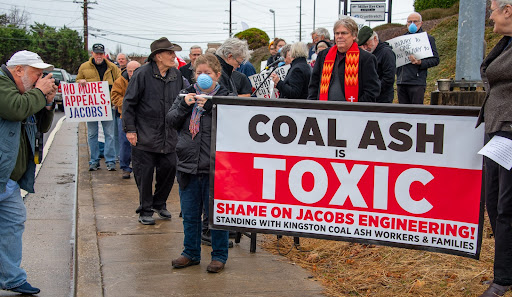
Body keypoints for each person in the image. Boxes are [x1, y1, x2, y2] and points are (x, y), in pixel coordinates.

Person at [0, 50, 57, 295]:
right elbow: (15, 109)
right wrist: (38, 92)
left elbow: (42, 126)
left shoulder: (26, 92)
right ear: (19, 70)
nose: (40, 78)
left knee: (13, 224)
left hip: (8, 178)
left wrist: (47, 102)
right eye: (36, 73)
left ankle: (12, 278)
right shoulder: (3, 85)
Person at [167, 53, 230, 273]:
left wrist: (212, 106)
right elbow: (171, 121)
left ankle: (219, 255)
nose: (203, 77)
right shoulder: (185, 94)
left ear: (217, 75)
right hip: (187, 164)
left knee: (216, 216)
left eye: (208, 73)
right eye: (199, 73)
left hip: (215, 166)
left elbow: (233, 126)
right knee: (190, 214)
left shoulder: (225, 97)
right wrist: (184, 105)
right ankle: (190, 253)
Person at [122, 37, 182, 225]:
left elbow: (183, 98)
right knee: (145, 174)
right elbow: (129, 103)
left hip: (169, 134)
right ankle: (145, 209)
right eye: (169, 52)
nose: (174, 56)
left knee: (169, 169)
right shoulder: (142, 74)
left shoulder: (176, 75)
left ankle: (159, 203)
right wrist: (130, 130)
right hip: (145, 133)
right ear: (158, 56)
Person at [476, 1, 512, 296]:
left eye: (492, 10)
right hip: (497, 130)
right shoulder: (503, 44)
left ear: (507, 11)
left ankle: (503, 278)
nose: (489, 15)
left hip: (510, 131)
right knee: (494, 203)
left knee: (506, 207)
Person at [308, 18, 380, 102]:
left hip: (353, 112)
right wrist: (312, 106)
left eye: (344, 33)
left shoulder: (366, 59)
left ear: (354, 36)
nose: (339, 36)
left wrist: (356, 109)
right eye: (337, 33)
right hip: (324, 111)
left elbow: (372, 90)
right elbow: (314, 85)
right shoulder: (323, 55)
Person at [76, 43, 121, 171]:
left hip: (107, 106)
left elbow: (119, 84)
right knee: (92, 134)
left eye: (101, 53)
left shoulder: (112, 67)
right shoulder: (84, 67)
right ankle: (94, 161)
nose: (99, 56)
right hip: (91, 107)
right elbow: (77, 81)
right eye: (97, 53)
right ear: (92, 53)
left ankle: (110, 161)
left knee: (110, 134)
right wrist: (80, 82)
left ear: (104, 54)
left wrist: (114, 101)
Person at [396, 12, 440, 104]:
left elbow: (435, 60)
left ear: (421, 23)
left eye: (415, 21)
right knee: (402, 112)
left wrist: (420, 63)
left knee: (415, 111)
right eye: (409, 22)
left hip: (417, 82)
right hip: (402, 81)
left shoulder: (428, 39)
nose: (412, 24)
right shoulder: (401, 40)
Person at [111, 60, 141, 179]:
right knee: (124, 143)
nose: (132, 73)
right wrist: (128, 103)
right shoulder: (120, 81)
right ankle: (125, 168)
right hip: (125, 116)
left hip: (142, 117)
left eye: (135, 71)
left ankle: (140, 167)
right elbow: (114, 96)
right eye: (130, 71)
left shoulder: (145, 80)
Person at [358, 26, 396, 103]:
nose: (365, 48)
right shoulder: (369, 53)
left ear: (375, 39)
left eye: (367, 44)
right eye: (363, 45)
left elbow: (389, 78)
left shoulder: (386, 53)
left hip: (382, 98)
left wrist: (374, 90)